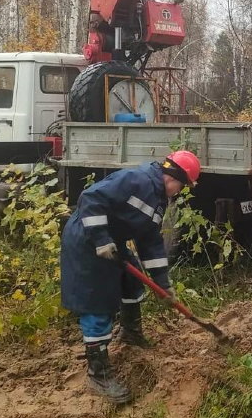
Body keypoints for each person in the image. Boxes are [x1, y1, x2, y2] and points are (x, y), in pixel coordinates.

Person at [61, 150, 202, 404]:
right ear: (173, 177)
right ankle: (98, 374)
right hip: (87, 239)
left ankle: (130, 332)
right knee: (97, 302)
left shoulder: (158, 198)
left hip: (112, 242)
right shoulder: (136, 180)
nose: (180, 191)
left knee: (132, 281)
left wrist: (163, 284)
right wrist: (102, 240)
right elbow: (90, 198)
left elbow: (150, 241)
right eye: (182, 186)